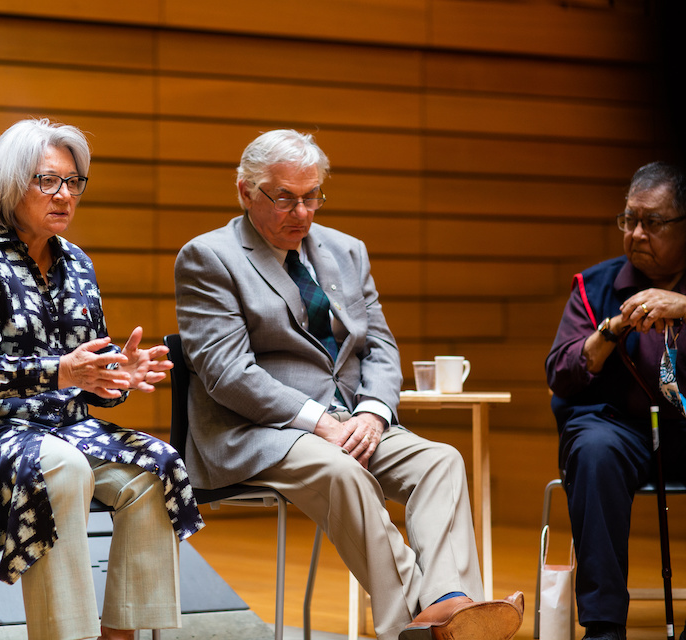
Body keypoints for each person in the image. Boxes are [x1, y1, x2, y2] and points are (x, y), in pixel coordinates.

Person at [174, 129, 524, 640]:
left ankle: (446, 600)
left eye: (311, 196)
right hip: (258, 430)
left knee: (441, 461)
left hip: (352, 420)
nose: (302, 212)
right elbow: (227, 372)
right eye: (285, 198)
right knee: (344, 472)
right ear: (245, 191)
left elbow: (380, 346)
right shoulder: (209, 257)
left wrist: (374, 412)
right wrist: (319, 422)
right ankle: (425, 624)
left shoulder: (346, 251)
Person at [0, 118, 204, 640]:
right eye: (48, 181)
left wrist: (115, 376)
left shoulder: (77, 264)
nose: (64, 195)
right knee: (61, 467)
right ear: (9, 184)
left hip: (57, 429)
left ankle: (124, 635)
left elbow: (87, 374)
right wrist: (62, 370)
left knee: (157, 467)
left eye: (73, 182)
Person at [546, 161, 686, 640]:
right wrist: (611, 329)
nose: (637, 233)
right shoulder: (595, 286)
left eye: (654, 222)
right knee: (593, 450)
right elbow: (561, 375)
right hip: (620, 428)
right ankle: (604, 627)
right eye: (630, 220)